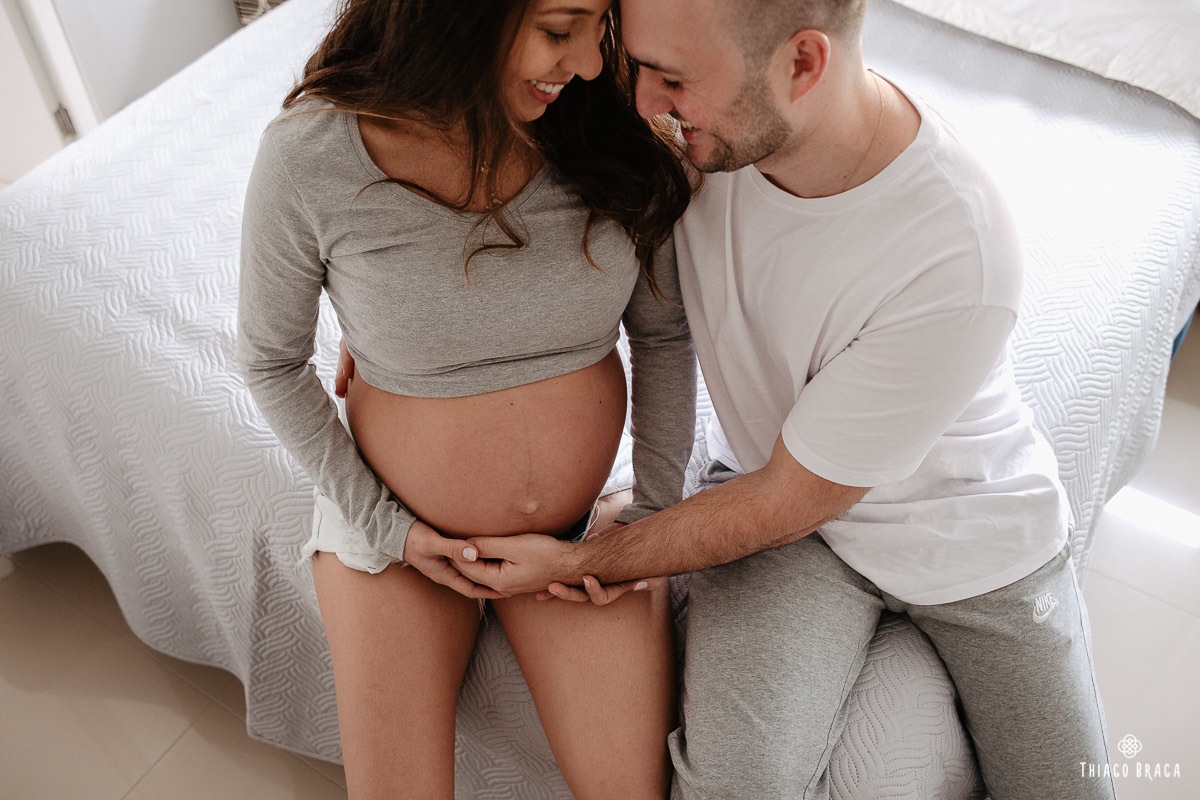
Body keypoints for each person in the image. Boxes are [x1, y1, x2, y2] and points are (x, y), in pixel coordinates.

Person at [440, 0, 1119, 798]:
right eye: (642, 66)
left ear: (802, 64)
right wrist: (396, 323)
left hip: (967, 535)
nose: (646, 100)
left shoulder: (957, 251)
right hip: (786, 520)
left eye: (674, 79)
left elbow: (794, 498)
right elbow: (488, 145)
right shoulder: (688, 141)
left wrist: (590, 558)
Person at [234, 1, 698, 798]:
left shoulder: (608, 130)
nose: (589, 63)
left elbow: (663, 338)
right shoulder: (312, 157)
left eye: (601, 28)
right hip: (398, 536)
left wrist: (648, 520)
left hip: (578, 535)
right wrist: (391, 530)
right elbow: (272, 362)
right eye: (560, 30)